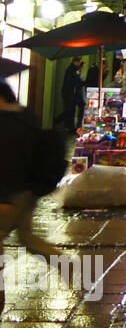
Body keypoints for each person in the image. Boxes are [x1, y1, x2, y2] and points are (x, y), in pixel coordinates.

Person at [0, 83, 60, 315]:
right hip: (28, 192)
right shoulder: (27, 117)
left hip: (9, 195)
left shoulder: (6, 125)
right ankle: (75, 269)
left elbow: (8, 163)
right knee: (30, 240)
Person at [60, 58, 85, 133]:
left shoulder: (72, 69)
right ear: (76, 62)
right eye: (79, 62)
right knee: (70, 111)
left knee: (70, 110)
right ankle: (69, 127)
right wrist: (71, 94)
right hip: (71, 94)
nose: (80, 63)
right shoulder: (72, 70)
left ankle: (70, 126)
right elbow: (72, 83)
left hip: (72, 94)